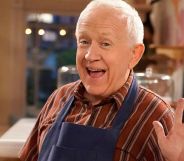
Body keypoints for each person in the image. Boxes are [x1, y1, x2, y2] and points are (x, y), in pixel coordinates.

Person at [19, 0, 175, 161]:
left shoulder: (156, 116)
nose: (90, 56)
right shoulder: (58, 99)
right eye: (84, 42)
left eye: (105, 44)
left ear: (134, 54)